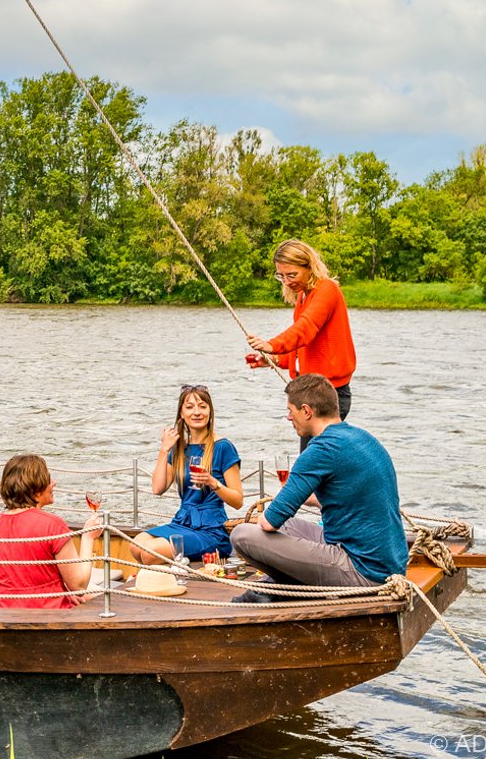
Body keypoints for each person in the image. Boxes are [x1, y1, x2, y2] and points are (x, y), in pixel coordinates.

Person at [229, 375, 407, 602]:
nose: (288, 417)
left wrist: (282, 500)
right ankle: (285, 585)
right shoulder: (361, 437)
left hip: (363, 572)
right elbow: (348, 498)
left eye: (290, 410)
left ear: (306, 411)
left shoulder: (320, 449)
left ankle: (286, 588)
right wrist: (304, 496)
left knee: (242, 535)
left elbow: (268, 522)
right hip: (387, 563)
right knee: (290, 525)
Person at [246, 239, 357, 440]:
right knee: (312, 461)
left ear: (309, 267)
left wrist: (272, 345)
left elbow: (306, 328)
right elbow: (305, 348)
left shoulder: (327, 289)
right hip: (309, 391)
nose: (287, 281)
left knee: (314, 463)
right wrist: (276, 360)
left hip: (329, 394)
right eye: (281, 276)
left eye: (292, 274)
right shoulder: (304, 296)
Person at [126, 384, 241, 564]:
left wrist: (213, 483)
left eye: (202, 406)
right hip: (182, 522)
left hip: (211, 530)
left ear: (210, 412)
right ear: (181, 413)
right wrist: (164, 450)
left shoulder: (223, 447)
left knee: (150, 553)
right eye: (190, 407)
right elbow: (157, 489)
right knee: (136, 544)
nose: (197, 412)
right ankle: (163, 580)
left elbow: (238, 501)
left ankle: (173, 575)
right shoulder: (180, 449)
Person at [0, 453, 101, 609]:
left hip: (5, 613)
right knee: (104, 598)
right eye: (48, 479)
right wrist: (88, 537)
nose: (54, 483)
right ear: (35, 488)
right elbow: (79, 586)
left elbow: (26, 578)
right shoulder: (52, 525)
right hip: (49, 616)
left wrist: (64, 592)